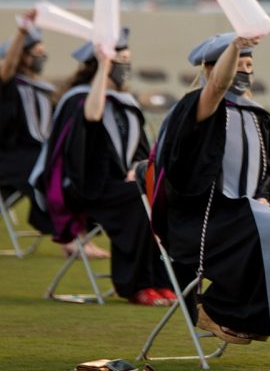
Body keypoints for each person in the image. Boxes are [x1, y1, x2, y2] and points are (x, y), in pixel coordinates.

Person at [150, 33, 270, 343]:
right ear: (212, 69)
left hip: (248, 218)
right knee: (263, 225)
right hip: (203, 221)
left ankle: (262, 317)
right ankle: (216, 308)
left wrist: (266, 197)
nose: (244, 71)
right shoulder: (199, 107)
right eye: (237, 65)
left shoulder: (258, 116)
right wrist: (235, 45)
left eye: (249, 65)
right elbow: (215, 88)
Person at [29, 28, 170, 305]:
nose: (125, 67)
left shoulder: (126, 103)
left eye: (128, 61)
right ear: (101, 64)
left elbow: (141, 150)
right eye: (120, 61)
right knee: (136, 200)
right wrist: (104, 66)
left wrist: (138, 169)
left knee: (158, 195)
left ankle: (161, 280)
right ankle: (137, 286)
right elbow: (92, 116)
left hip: (119, 186)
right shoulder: (79, 99)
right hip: (85, 187)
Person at [0, 11, 55, 236]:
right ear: (22, 56)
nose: (41, 58)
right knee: (45, 171)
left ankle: (74, 233)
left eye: (43, 53)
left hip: (35, 154)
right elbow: (8, 65)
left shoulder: (43, 89)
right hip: (10, 155)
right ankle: (67, 237)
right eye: (36, 53)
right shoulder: (8, 83)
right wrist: (22, 31)